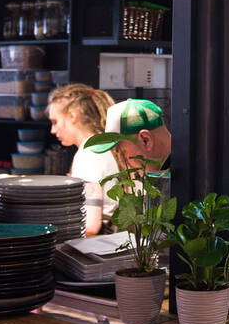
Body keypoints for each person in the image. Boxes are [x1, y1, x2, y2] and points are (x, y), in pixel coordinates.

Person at [47, 83, 119, 236]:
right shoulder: (103, 145)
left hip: (100, 243)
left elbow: (90, 226)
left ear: (72, 116)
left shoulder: (90, 154)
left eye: (55, 122)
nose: (52, 130)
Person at [89, 98, 172, 170]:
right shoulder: (169, 172)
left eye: (122, 152)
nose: (123, 163)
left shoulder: (178, 179)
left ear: (146, 140)